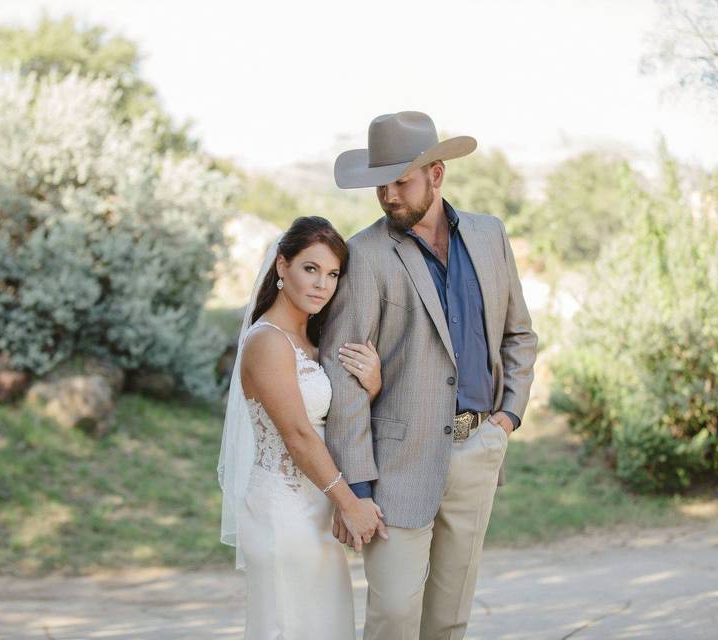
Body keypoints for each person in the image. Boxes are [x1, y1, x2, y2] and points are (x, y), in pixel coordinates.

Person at [323, 110, 538, 639]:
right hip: (395, 465)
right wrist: (358, 486)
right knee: (394, 612)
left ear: (436, 175)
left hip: (478, 451)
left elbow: (519, 336)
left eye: (402, 181)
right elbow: (343, 372)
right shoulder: (366, 254)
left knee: (449, 617)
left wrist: (507, 418)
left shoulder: (490, 236)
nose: (389, 195)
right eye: (382, 184)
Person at [217, 216, 387, 639]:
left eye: (332, 274)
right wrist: (351, 503)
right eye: (310, 269)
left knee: (325, 626)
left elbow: (328, 419)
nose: (322, 285)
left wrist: (372, 386)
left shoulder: (314, 342)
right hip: (283, 511)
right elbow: (297, 435)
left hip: (318, 507)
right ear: (281, 266)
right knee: (289, 627)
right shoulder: (267, 342)